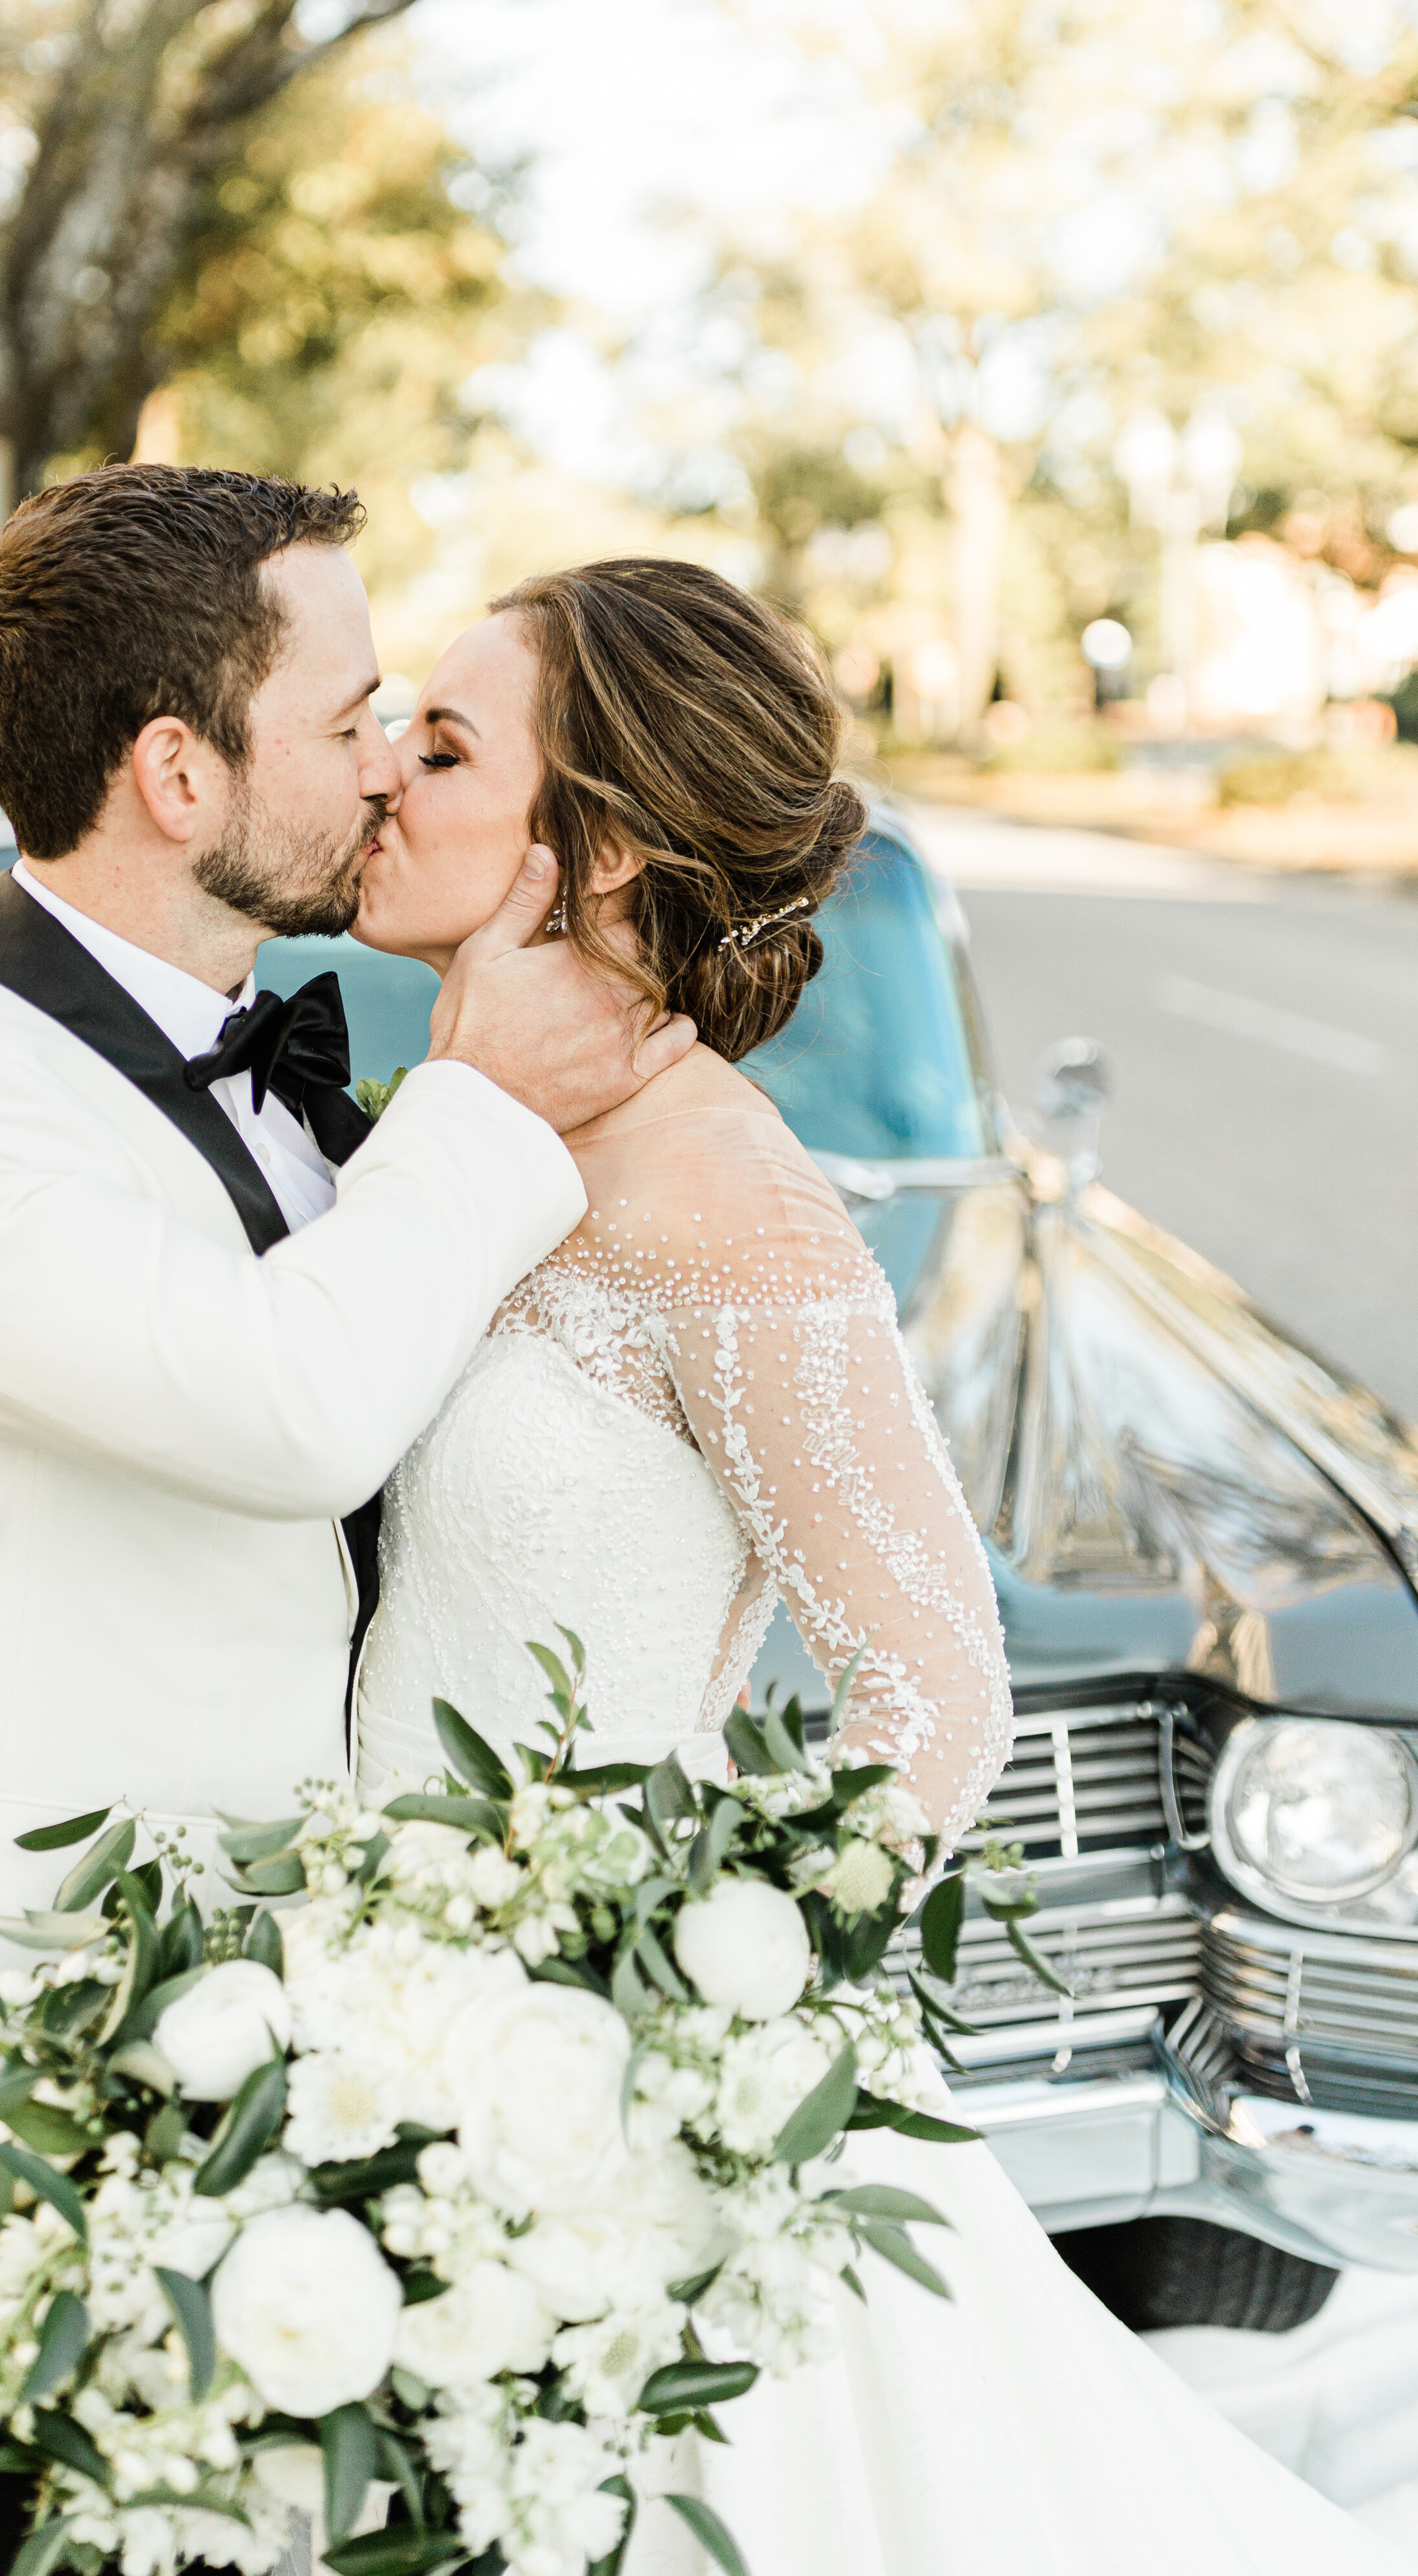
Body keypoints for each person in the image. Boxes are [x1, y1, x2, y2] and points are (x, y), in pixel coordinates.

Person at [348, 555, 1405, 2575]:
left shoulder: (726, 1196)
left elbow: (937, 1689)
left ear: (608, 847)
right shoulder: (458, 1143)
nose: (385, 769)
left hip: (617, 2089)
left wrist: (703, 2016)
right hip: (402, 2035)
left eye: (449, 742)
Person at [0, 468, 694, 2576]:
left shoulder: (290, 1068)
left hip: (274, 2112)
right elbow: (292, 1411)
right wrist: (495, 1094)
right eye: (348, 718)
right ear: (177, 770)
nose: (383, 763)